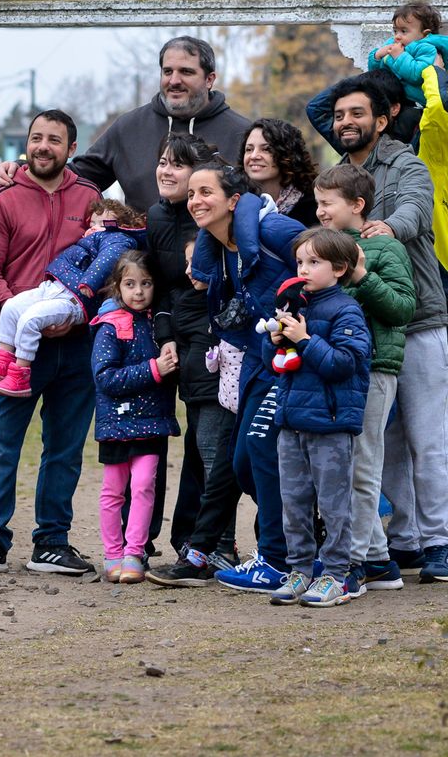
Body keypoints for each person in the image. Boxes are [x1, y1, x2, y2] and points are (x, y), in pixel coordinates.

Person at [316, 71, 448, 583]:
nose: (345, 122)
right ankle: (404, 540)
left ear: (383, 118)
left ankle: (440, 539)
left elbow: (418, 211)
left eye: (357, 113)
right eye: (338, 116)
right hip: (360, 331)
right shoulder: (334, 178)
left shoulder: (407, 163)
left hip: (416, 317)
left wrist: (387, 226)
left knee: (427, 434)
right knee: (382, 439)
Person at [0, 109, 101, 577]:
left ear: (71, 149)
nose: (43, 146)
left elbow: (104, 268)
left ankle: (52, 542)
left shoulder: (90, 198)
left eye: (54, 140)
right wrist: (23, 321)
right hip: (15, 348)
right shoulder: (2, 196)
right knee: (1, 442)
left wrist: (72, 316)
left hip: (76, 345)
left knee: (65, 447)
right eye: (36, 138)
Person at [146, 162, 303, 591]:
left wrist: (313, 322)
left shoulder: (271, 230)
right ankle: (297, 538)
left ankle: (276, 559)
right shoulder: (216, 249)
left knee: (258, 452)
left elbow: (328, 256)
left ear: (234, 200)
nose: (195, 201)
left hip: (291, 362)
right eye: (192, 193)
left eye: (206, 192)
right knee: (239, 463)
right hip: (255, 360)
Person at [0, 36, 252, 210]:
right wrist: (24, 168)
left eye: (186, 72)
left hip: (216, 274)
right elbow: (78, 176)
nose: (174, 81)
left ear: (209, 79)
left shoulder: (242, 134)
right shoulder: (129, 127)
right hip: (144, 281)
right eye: (167, 71)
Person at [314, 164, 417, 592]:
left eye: (326, 203)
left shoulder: (383, 248)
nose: (319, 211)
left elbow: (402, 309)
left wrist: (360, 275)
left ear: (357, 205)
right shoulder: (319, 247)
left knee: (363, 463)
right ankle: (376, 561)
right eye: (317, 203)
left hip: (373, 369)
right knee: (348, 464)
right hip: (335, 370)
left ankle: (351, 563)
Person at [265, 227, 371, 608]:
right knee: (292, 501)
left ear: (340, 268)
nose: (303, 269)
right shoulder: (295, 306)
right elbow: (275, 365)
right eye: (299, 262)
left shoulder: (347, 310)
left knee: (333, 503)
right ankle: (299, 571)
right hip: (291, 422)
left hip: (329, 425)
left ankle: (336, 576)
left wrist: (306, 340)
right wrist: (275, 342)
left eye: (314, 262)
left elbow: (345, 365)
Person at [146, 133, 237, 565]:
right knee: (197, 444)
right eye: (163, 162)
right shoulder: (157, 218)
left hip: (214, 337)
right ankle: (189, 540)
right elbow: (159, 288)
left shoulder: (218, 215)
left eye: (177, 165)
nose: (166, 170)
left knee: (212, 442)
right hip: (177, 338)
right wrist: (165, 335)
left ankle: (216, 545)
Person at [0, 198, 146, 398]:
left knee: (30, 319)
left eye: (101, 223)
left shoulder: (116, 238)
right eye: (91, 223)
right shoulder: (93, 239)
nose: (93, 227)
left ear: (120, 225)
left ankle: (20, 374)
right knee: (12, 307)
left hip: (74, 298)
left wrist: (90, 282)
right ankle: (3, 358)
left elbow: (108, 258)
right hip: (54, 287)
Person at [91, 250, 179, 583]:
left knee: (143, 486)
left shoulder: (161, 325)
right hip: (116, 424)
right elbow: (105, 378)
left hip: (152, 422)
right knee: (113, 491)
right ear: (117, 286)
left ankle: (135, 553)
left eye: (146, 284)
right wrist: (154, 369)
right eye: (130, 284)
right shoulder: (109, 327)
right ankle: (112, 554)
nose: (138, 292)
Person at [366, 1, 448, 103]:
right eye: (395, 31)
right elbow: (376, 74)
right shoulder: (393, 44)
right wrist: (377, 56)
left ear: (424, 34)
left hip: (415, 103)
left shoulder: (427, 49)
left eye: (403, 31)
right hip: (393, 98)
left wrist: (400, 56)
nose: (397, 36)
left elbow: (416, 75)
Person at [239, 118, 318, 226]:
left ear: (288, 155)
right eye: (249, 149)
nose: (253, 156)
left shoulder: (315, 207)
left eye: (266, 149)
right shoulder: (235, 202)